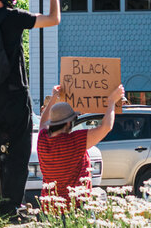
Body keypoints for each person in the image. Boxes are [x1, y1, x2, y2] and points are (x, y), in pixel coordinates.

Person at [0, 0, 59, 215]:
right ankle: (11, 206)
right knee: (19, 152)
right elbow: (54, 18)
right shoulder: (15, 17)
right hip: (16, 95)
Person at [36, 83, 125, 213]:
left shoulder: (42, 139)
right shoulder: (74, 140)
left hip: (50, 208)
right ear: (68, 122)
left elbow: (43, 121)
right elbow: (106, 127)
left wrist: (54, 97)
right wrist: (111, 101)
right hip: (76, 207)